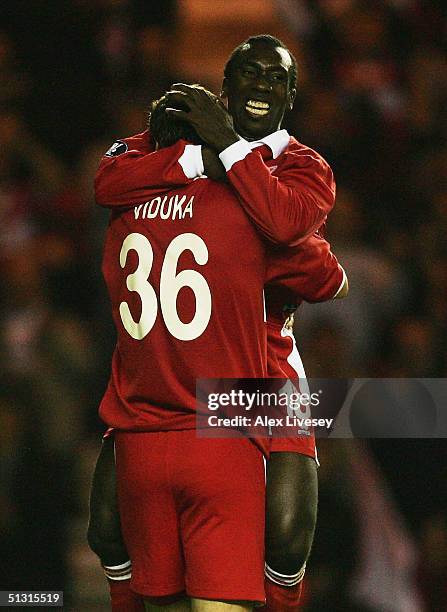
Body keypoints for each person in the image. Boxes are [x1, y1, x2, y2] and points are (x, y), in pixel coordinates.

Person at [91, 36, 346, 611]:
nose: (261, 86)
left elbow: (305, 248)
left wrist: (225, 151)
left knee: (282, 540)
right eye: (248, 75)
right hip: (161, 371)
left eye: (275, 77)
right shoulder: (180, 156)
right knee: (108, 529)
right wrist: (193, 157)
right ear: (222, 90)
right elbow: (106, 181)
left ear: (291, 95)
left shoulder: (302, 165)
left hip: (260, 372)